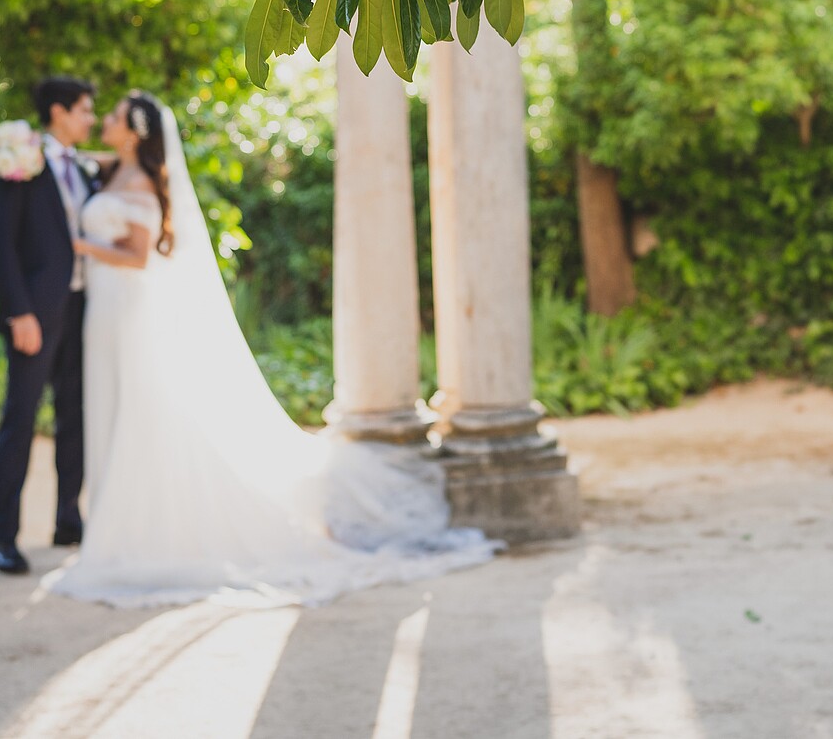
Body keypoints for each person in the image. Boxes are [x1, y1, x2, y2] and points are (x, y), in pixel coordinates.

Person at [43, 90, 497, 608]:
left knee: (137, 411)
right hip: (102, 313)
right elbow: (72, 166)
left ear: (136, 131)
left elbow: (138, 255)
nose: (105, 119)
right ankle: (111, 522)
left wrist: (76, 246)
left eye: (116, 116)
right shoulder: (106, 172)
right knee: (107, 406)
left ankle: (136, 531)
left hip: (128, 310)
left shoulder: (144, 181)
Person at [0, 76, 140, 575]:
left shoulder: (86, 166)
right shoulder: (19, 155)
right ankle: (5, 536)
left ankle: (67, 518)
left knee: (75, 416)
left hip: (84, 309)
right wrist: (18, 312)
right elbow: (0, 241)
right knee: (21, 421)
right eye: (84, 110)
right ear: (58, 112)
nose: (91, 119)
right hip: (35, 311)